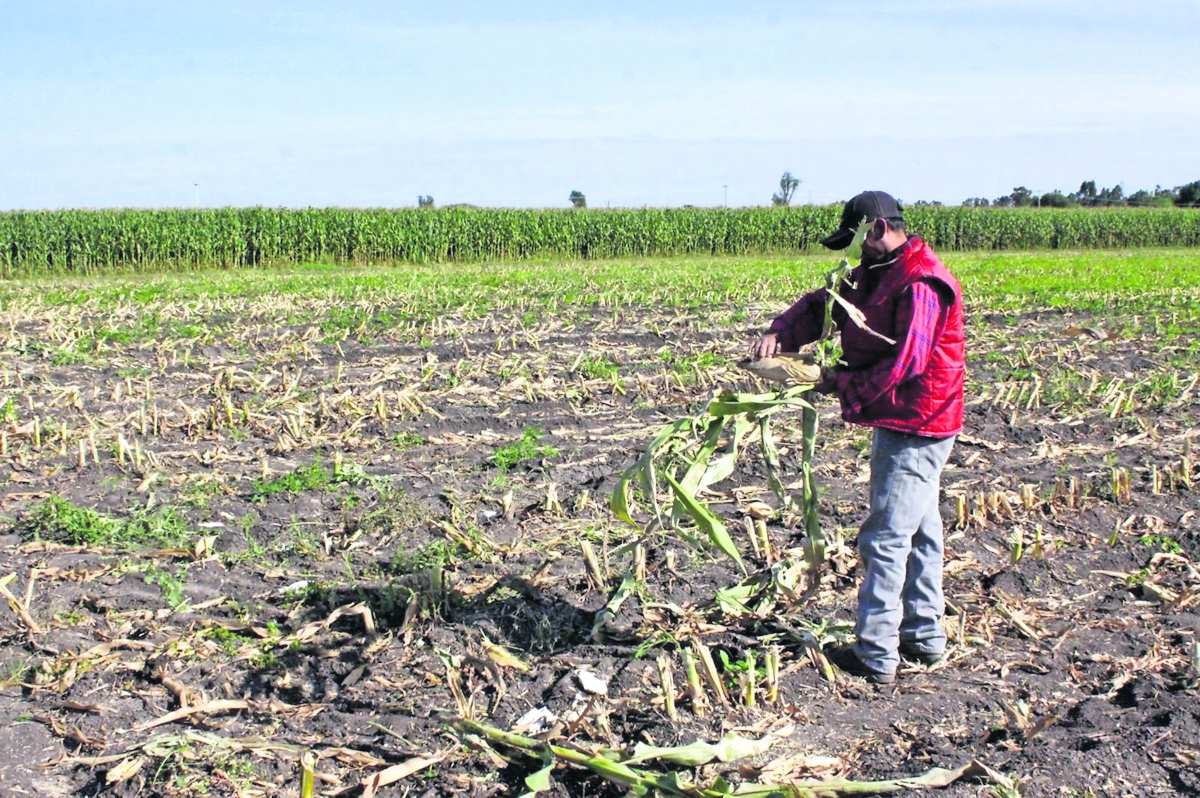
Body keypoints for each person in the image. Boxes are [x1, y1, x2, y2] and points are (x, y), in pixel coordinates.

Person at [750, 191, 965, 684]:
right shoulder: (880, 272)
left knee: (886, 537)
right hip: (907, 418)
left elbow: (908, 364)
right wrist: (780, 334)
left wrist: (836, 381)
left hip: (918, 422)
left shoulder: (920, 283)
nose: (856, 254)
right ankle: (925, 638)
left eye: (860, 240)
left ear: (879, 228)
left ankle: (875, 654)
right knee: (921, 531)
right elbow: (826, 304)